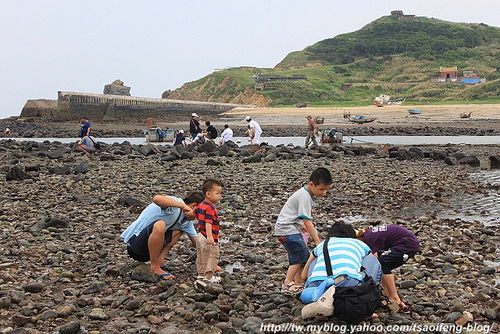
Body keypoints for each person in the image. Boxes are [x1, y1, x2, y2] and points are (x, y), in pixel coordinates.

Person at [300, 222, 382, 319]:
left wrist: (303, 281)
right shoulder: (359, 243)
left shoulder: (323, 244)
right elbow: (373, 258)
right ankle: (367, 299)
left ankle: (323, 302)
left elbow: (304, 273)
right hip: (347, 283)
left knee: (316, 259)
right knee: (372, 259)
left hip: (316, 285)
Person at [274, 167, 333, 294]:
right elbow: (307, 220)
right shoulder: (304, 196)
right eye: (321, 189)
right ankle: (286, 283)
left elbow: (297, 215)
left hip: (289, 228)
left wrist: (301, 225)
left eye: (327, 189)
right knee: (301, 256)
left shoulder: (307, 194)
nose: (324, 192)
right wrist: (317, 240)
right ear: (311, 184)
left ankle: (298, 283)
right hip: (286, 229)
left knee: (301, 256)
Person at [120, 192, 204, 279]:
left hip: (150, 252)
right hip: (135, 245)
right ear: (194, 206)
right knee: (160, 224)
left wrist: (211, 264)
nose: (198, 217)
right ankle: (155, 267)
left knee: (179, 230)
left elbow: (197, 242)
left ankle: (160, 260)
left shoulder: (186, 222)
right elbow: (157, 199)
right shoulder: (175, 204)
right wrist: (183, 206)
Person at [357, 224, 420, 312]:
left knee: (382, 264)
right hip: (405, 241)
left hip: (407, 244)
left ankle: (394, 297)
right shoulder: (369, 233)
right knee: (384, 263)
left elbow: (373, 260)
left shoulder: (368, 239)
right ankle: (387, 292)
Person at [195, 179, 223, 283]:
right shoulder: (210, 207)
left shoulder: (201, 204)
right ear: (208, 194)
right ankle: (209, 276)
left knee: (202, 255)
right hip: (207, 236)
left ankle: (201, 275)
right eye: (217, 193)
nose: (219, 196)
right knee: (213, 255)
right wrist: (210, 237)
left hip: (200, 235)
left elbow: (194, 213)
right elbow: (208, 222)